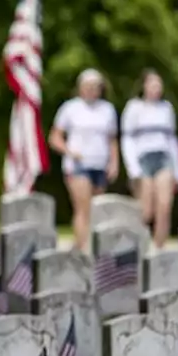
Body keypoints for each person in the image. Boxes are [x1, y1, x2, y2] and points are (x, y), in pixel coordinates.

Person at [49, 69, 119, 252]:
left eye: (95, 87)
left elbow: (111, 139)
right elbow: (55, 137)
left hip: (99, 164)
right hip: (78, 165)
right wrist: (69, 151)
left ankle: (86, 245)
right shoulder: (70, 108)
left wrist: (114, 162)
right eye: (88, 87)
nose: (91, 90)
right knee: (83, 207)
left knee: (97, 210)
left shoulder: (107, 110)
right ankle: (83, 248)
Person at [121, 70, 178, 249]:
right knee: (145, 210)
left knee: (164, 206)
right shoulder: (134, 107)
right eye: (153, 84)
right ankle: (137, 246)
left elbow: (172, 140)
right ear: (144, 86)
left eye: (159, 84)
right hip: (142, 160)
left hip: (163, 159)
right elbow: (127, 140)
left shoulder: (166, 108)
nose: (156, 88)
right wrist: (133, 169)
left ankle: (159, 247)